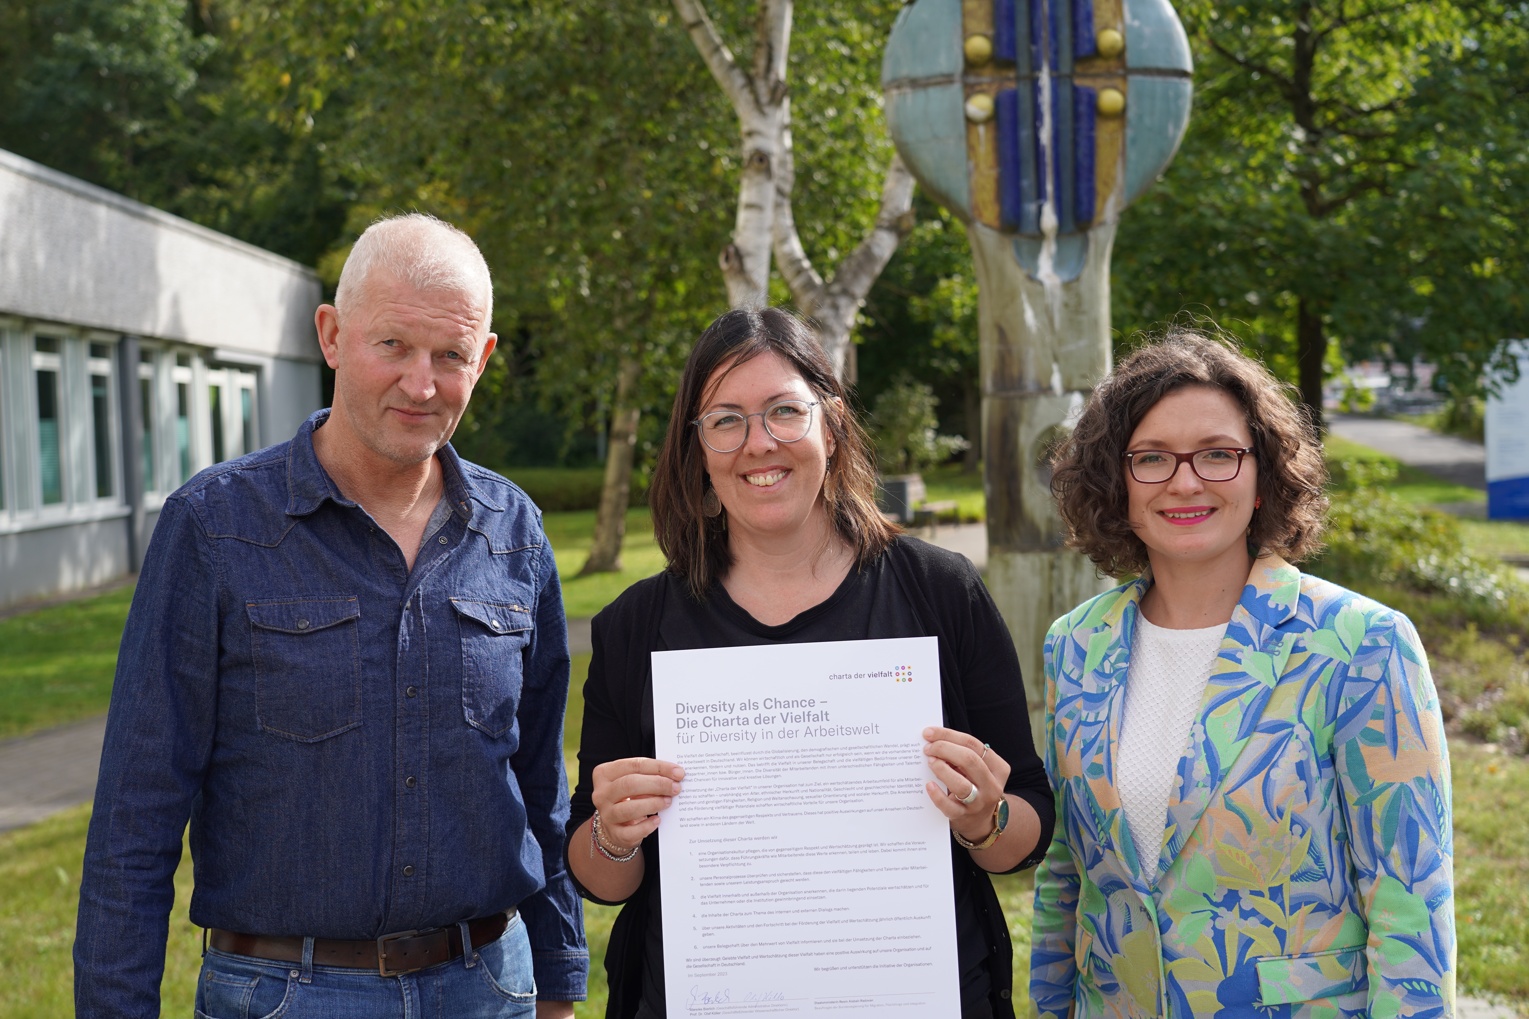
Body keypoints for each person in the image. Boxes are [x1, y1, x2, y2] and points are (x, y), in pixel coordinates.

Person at [75, 213, 586, 1019]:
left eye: (450, 355)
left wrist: (557, 980)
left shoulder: (512, 529)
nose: (422, 384)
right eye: (393, 345)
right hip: (285, 997)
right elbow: (133, 819)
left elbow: (539, 786)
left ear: (482, 359)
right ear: (333, 335)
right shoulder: (215, 525)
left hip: (489, 987)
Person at [565, 307, 1055, 1019]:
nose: (758, 444)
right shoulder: (635, 627)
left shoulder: (939, 592)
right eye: (725, 419)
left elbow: (1024, 835)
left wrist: (984, 816)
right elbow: (601, 881)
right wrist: (612, 834)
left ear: (831, 423)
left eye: (783, 412)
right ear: (696, 445)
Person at [1030, 327, 1455, 1018]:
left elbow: (1410, 901)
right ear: (1117, 480)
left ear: (1263, 476)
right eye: (1151, 458)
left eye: (1218, 454)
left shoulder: (1361, 645)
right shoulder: (1075, 645)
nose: (1185, 480)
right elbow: (1065, 879)